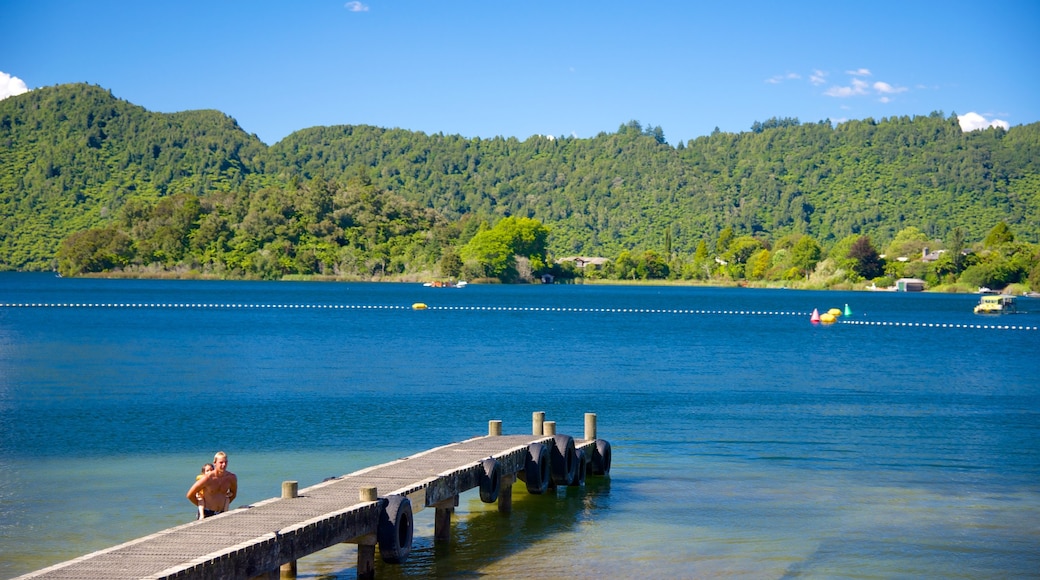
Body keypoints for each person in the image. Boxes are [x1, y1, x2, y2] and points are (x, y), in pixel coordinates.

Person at [187, 451, 237, 518]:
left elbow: (233, 494)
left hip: (222, 512)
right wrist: (202, 506)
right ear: (215, 463)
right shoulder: (207, 478)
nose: (224, 464)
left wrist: (224, 505)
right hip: (207, 513)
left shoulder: (231, 478)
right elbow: (190, 495)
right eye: (221, 462)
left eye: (226, 462)